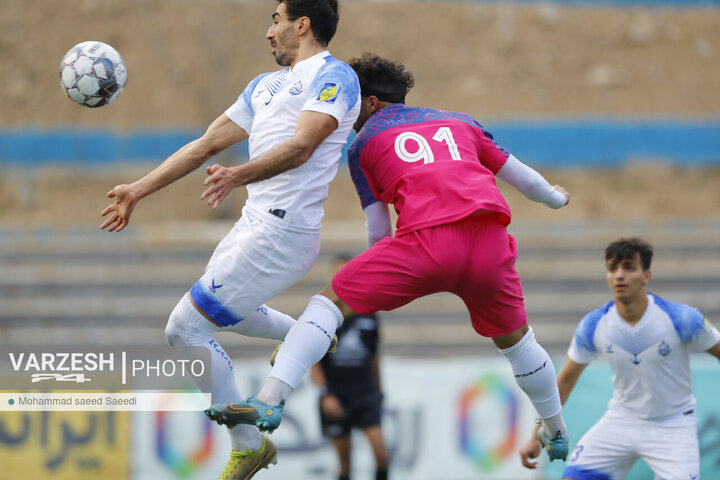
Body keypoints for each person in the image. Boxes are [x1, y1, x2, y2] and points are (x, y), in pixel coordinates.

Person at [205, 52, 571, 463]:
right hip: (489, 244)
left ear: (373, 102)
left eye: (352, 101)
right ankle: (555, 429)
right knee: (519, 344)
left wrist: (376, 283)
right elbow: (528, 182)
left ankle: (271, 398)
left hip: (425, 244)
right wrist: (558, 199)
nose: (346, 110)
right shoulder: (461, 121)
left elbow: (379, 233)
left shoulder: (361, 144)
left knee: (328, 302)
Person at [100, 1, 360, 479]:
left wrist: (237, 175)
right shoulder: (262, 87)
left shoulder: (336, 77)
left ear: (302, 25)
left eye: (275, 21)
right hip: (253, 224)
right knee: (217, 318)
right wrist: (138, 189)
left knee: (184, 330)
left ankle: (247, 446)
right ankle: (305, 337)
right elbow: (204, 145)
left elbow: (303, 146)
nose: (268, 32)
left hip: (283, 231)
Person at [519, 238, 720, 479]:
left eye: (629, 267)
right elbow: (564, 382)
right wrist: (535, 436)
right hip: (622, 420)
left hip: (673, 425)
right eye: (613, 269)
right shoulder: (594, 325)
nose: (619, 276)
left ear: (646, 275)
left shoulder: (682, 319)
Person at [310, 254, 389, 480]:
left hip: (365, 392)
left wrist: (379, 391)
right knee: (345, 465)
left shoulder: (369, 312)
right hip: (337, 393)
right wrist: (325, 393)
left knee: (381, 454)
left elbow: (374, 355)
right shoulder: (323, 314)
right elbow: (313, 358)